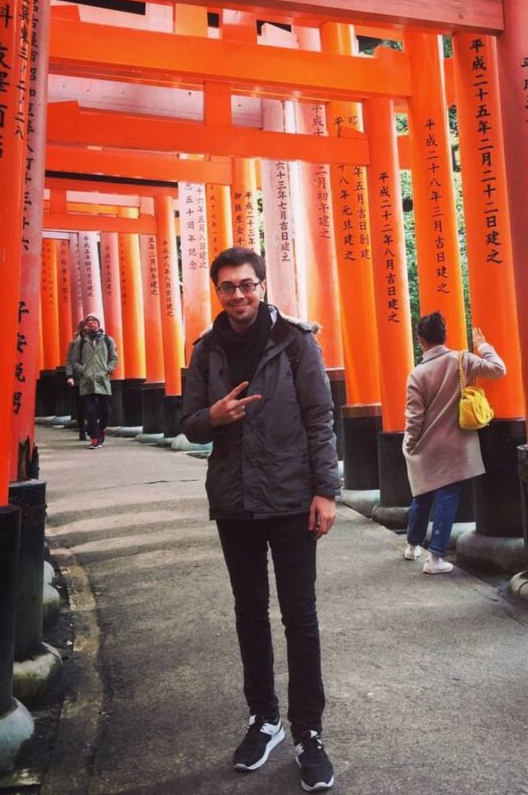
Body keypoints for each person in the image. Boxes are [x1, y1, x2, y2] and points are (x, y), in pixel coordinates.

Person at [180, 246, 338, 792]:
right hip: (234, 501)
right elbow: (189, 423)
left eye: (247, 285)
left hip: (293, 499)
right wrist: (213, 416)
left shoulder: (296, 342)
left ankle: (308, 731)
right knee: (249, 611)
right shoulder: (205, 350)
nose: (239, 295)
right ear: (217, 292)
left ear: (263, 286)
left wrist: (327, 492)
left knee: (301, 616)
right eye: (228, 287)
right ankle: (264, 718)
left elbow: (320, 417)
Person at [402, 312, 506, 574]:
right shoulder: (463, 360)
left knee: (422, 496)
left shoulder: (417, 374)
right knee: (447, 497)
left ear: (420, 340)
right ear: (445, 336)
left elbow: (414, 417)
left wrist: (410, 444)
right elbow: (498, 369)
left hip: (427, 446)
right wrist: (483, 346)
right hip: (457, 447)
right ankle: (435, 559)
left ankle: (412, 546)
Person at [66, 313, 118, 450]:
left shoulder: (108, 340)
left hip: (102, 379)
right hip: (87, 380)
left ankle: (101, 429)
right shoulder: (81, 341)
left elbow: (114, 358)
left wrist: (108, 369)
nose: (91, 323)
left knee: (106, 410)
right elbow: (74, 360)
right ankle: (95, 437)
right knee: (90, 411)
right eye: (89, 321)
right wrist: (82, 371)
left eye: (94, 320)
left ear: (99, 323)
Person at [65, 318, 87, 441]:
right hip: (78, 379)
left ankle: (91, 428)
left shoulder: (96, 342)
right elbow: (69, 361)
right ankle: (82, 429)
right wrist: (70, 376)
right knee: (80, 406)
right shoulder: (74, 344)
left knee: (91, 405)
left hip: (91, 378)